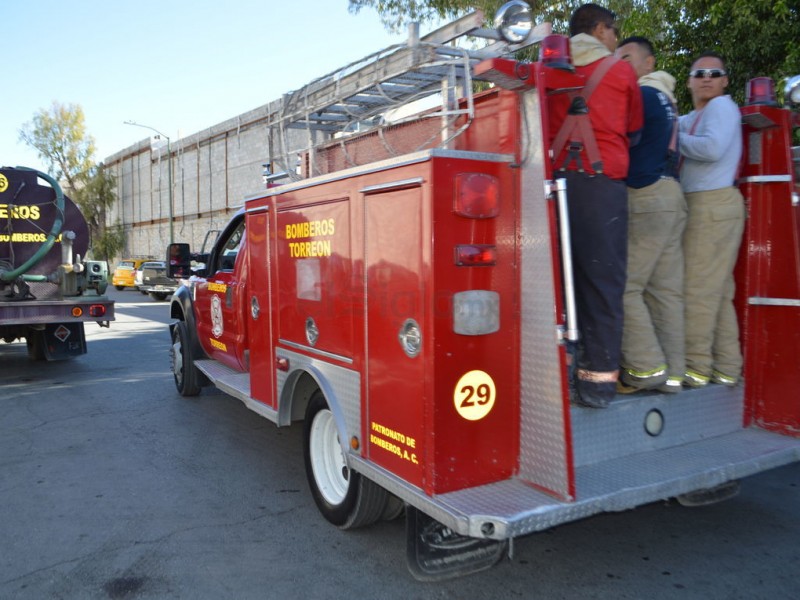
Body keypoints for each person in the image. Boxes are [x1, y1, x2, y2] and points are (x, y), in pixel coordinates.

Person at [548, 3, 644, 408]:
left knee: (558, 284)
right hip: (602, 187)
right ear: (600, 29)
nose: (616, 39)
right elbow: (635, 131)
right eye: (614, 31)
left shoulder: (551, 69)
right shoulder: (620, 71)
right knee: (603, 286)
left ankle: (559, 376)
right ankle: (597, 386)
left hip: (555, 188)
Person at [614, 36, 687, 394]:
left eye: (627, 58)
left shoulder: (641, 95)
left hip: (646, 196)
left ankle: (645, 369)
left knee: (625, 287)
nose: (620, 65)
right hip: (672, 194)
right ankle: (673, 376)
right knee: (665, 292)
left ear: (649, 63)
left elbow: (621, 139)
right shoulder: (667, 98)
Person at [678, 51, 744, 388]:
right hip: (712, 205)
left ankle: (696, 367)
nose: (706, 78)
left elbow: (712, 149)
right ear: (689, 81)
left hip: (711, 204)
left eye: (713, 74)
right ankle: (727, 367)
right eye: (699, 73)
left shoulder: (721, 107)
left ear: (724, 81)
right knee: (717, 292)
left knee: (697, 290)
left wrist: (674, 140)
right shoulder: (693, 116)